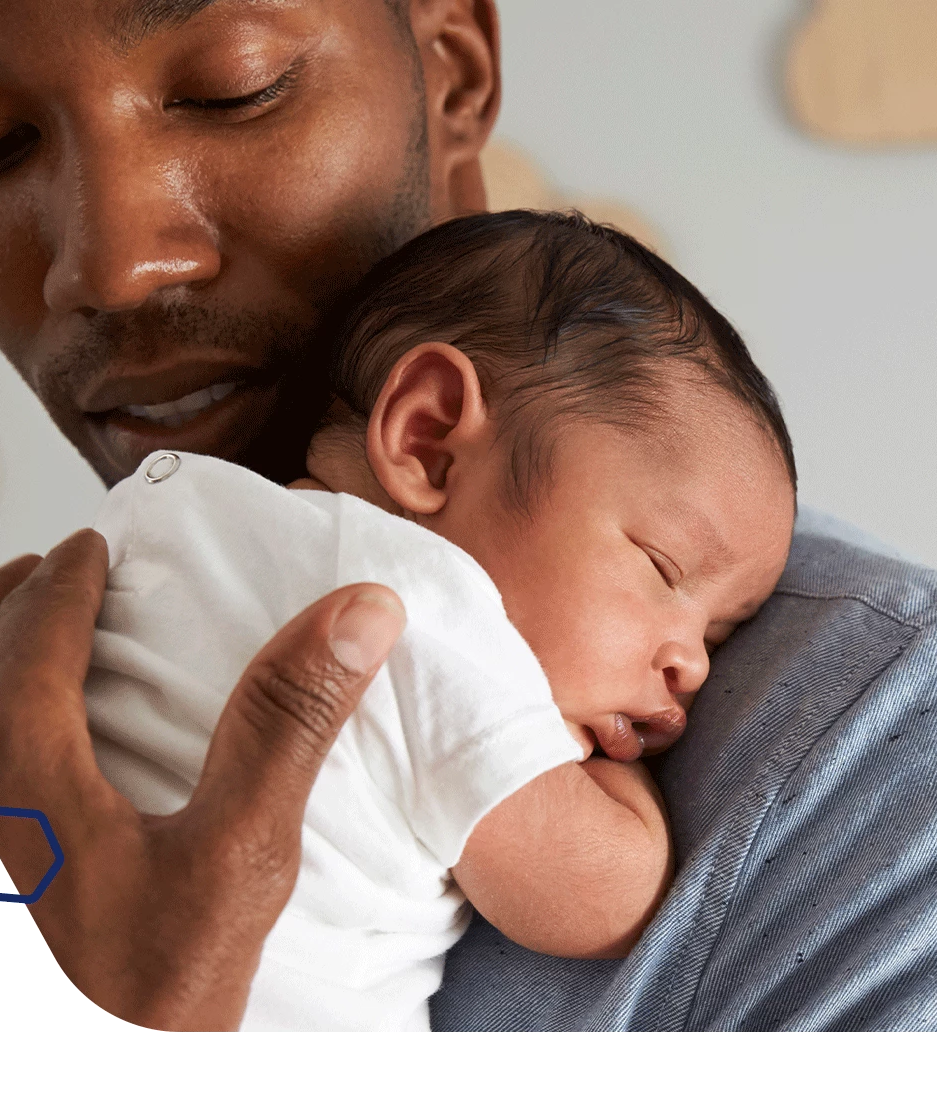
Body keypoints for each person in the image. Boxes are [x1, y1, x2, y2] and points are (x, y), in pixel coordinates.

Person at [0, 0, 937, 1030]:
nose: (111, 262)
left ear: (452, 72)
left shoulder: (910, 747)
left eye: (233, 86)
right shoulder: (12, 692)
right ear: (426, 432)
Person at [86, 210, 794, 1028]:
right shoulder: (425, 607)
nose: (694, 667)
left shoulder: (168, 508)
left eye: (716, 636)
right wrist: (605, 772)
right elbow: (601, 901)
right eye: (664, 567)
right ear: (429, 442)